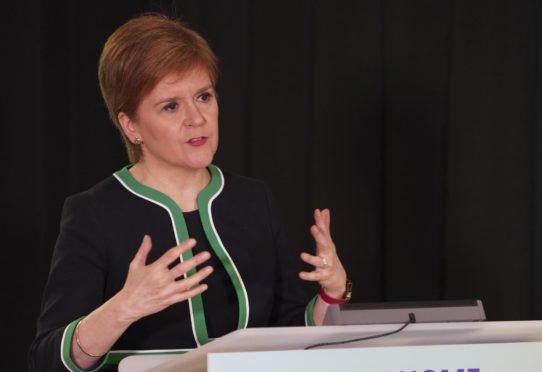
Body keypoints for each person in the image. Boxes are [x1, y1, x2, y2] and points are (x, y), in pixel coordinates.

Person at [29, 13, 351, 372]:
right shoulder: (94, 213)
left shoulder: (252, 199)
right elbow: (48, 360)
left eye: (203, 96)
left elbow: (291, 334)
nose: (197, 118)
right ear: (131, 125)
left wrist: (332, 293)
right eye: (171, 105)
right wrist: (124, 308)